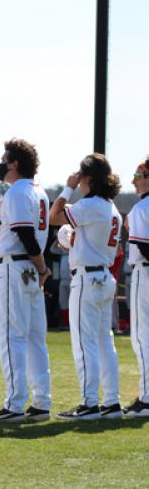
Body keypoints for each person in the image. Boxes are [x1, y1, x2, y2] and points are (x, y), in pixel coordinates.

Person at [0, 138, 52, 423]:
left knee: (12, 337)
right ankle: (41, 402)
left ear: (16, 164)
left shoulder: (18, 191)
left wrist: (42, 266)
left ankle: (14, 404)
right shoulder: (39, 191)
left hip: (15, 267)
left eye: (5, 159)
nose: (1, 164)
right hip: (29, 268)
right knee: (35, 338)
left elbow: (24, 234)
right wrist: (41, 267)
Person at [50, 153, 122, 420]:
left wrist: (67, 188)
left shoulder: (90, 204)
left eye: (81, 177)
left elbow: (53, 216)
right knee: (105, 343)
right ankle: (112, 402)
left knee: (84, 343)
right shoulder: (110, 207)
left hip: (88, 279)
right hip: (104, 276)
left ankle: (90, 403)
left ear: (88, 178)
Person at [123, 157, 149, 417]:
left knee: (142, 337)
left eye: (139, 175)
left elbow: (144, 246)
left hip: (146, 273)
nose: (134, 181)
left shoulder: (142, 209)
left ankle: (148, 397)